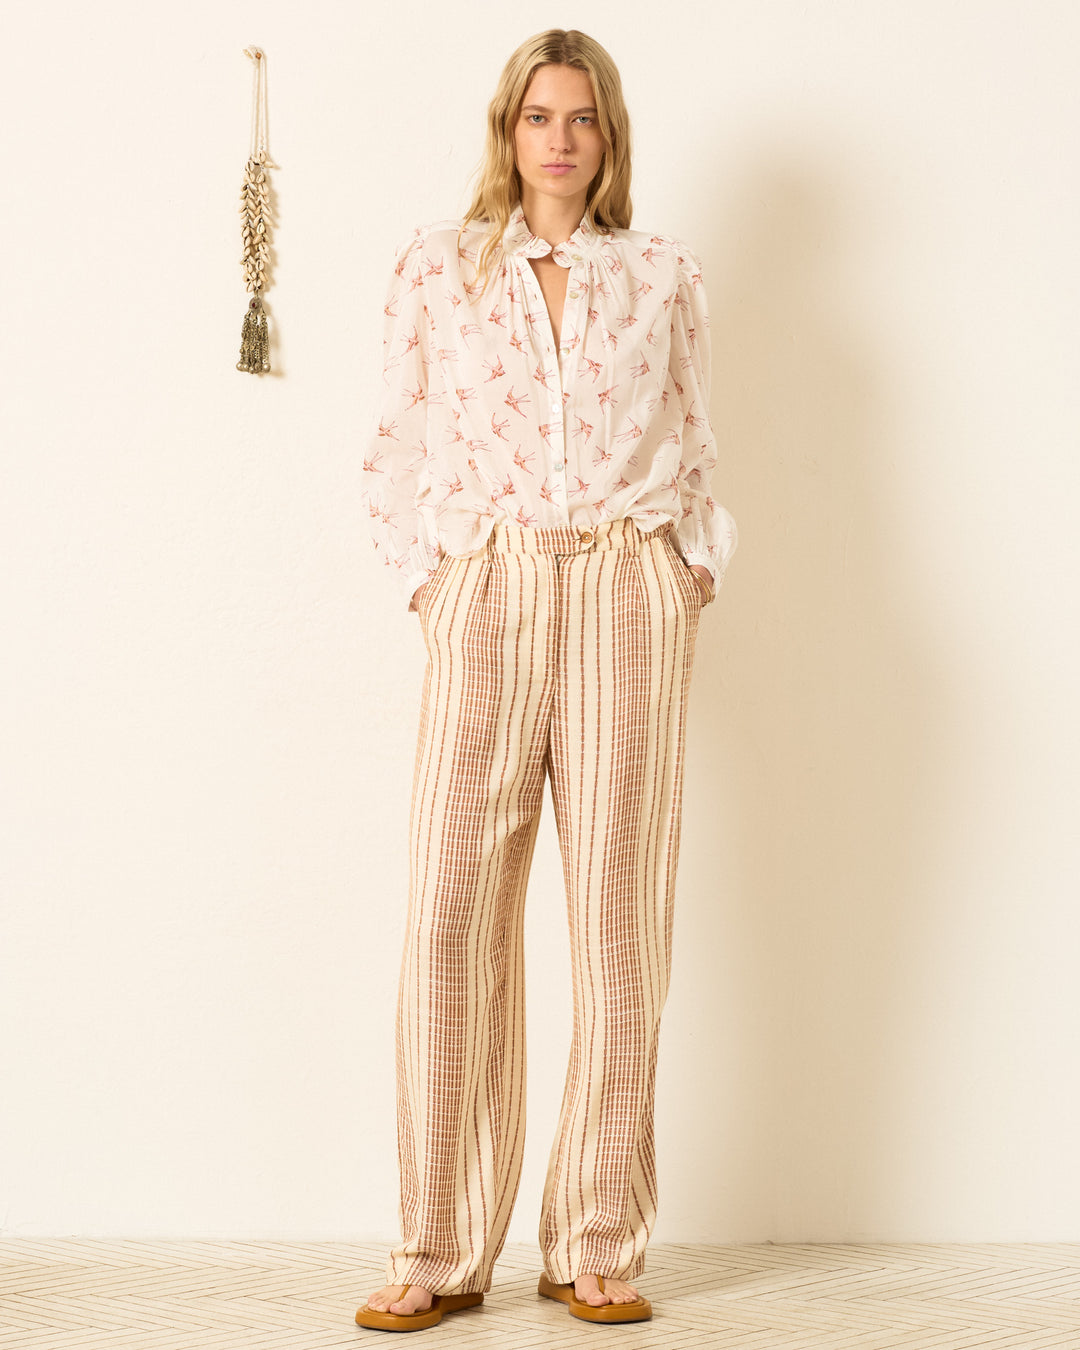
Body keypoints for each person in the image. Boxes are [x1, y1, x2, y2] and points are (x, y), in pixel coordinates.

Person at [355, 27, 737, 1333]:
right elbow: (397, 442)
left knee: (620, 924)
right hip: (492, 588)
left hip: (628, 590)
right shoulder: (442, 266)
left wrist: (684, 571)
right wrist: (435, 583)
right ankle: (437, 1244)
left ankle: (595, 1238)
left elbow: (695, 440)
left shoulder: (662, 273)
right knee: (450, 915)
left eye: (581, 117)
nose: (559, 138)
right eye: (537, 116)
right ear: (506, 131)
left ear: (609, 135)